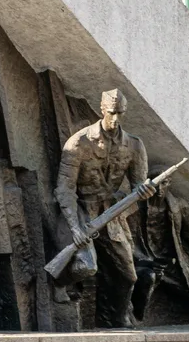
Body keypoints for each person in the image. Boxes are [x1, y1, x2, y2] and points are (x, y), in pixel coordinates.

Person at [54, 88, 153, 328]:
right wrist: (75, 228)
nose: (116, 118)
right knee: (87, 266)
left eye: (120, 113)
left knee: (129, 276)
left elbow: (138, 185)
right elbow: (64, 190)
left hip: (112, 215)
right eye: (111, 112)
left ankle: (113, 319)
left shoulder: (134, 145)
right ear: (102, 110)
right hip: (82, 211)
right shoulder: (79, 142)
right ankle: (59, 282)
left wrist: (145, 191)